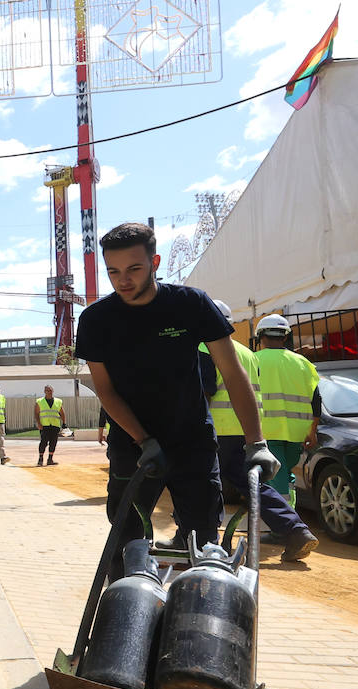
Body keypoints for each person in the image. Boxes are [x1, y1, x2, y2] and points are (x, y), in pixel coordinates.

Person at [75, 222, 278, 571]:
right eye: (113, 271)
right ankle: (126, 612)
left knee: (202, 545)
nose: (123, 280)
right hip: (133, 448)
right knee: (127, 545)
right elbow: (105, 391)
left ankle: (194, 611)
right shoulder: (97, 320)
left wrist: (255, 442)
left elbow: (232, 373)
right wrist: (143, 441)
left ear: (155, 262)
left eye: (134, 269)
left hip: (192, 442)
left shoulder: (191, 305)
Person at [203, 302, 319, 562]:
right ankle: (295, 529)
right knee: (253, 482)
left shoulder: (203, 347)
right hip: (248, 430)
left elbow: (205, 391)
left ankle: (204, 541)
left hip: (216, 429)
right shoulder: (247, 353)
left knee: (201, 481)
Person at [254, 314, 322, 504]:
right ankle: (290, 514)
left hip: (267, 429)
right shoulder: (303, 363)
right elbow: (316, 400)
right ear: (285, 337)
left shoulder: (253, 360)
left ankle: (285, 527)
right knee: (285, 474)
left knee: (277, 476)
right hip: (298, 432)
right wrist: (313, 431)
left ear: (260, 337)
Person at [34, 385, 66, 465]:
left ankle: (50, 459)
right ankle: (40, 459)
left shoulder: (58, 401)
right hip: (44, 425)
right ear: (45, 391)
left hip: (55, 425)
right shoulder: (40, 401)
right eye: (47, 390)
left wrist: (64, 423)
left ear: (53, 391)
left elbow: (62, 413)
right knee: (43, 442)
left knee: (53, 443)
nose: (49, 392)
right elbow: (36, 413)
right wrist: (39, 423)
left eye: (50, 390)